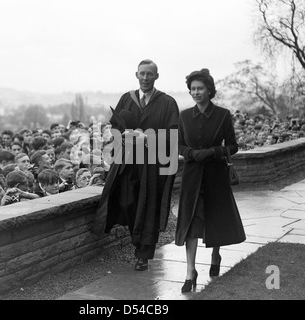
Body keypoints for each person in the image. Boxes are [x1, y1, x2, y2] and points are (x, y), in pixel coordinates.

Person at [93, 59, 179, 271]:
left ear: (156, 76)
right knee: (128, 203)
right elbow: (115, 126)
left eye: (150, 74)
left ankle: (143, 254)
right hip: (128, 162)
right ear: (136, 75)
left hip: (153, 165)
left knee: (149, 207)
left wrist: (148, 140)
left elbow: (174, 135)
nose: (145, 78)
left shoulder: (167, 103)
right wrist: (122, 135)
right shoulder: (127, 99)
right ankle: (137, 241)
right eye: (142, 73)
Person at [175, 69, 245, 292]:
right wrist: (192, 154)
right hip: (192, 176)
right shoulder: (184, 116)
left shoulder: (223, 115)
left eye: (200, 88)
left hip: (215, 174)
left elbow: (233, 145)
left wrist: (215, 151)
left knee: (215, 218)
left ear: (209, 90)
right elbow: (179, 145)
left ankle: (216, 255)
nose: (196, 92)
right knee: (192, 223)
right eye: (193, 89)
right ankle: (190, 272)